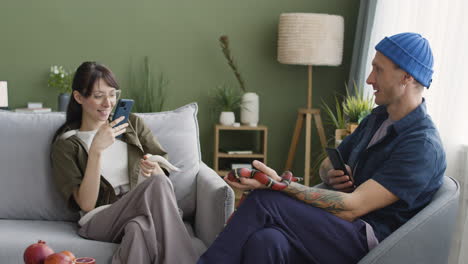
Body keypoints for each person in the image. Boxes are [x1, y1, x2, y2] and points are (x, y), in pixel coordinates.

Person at [198, 32, 446, 264]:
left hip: (370, 242)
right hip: (339, 228)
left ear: (407, 77)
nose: (370, 79)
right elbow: (326, 165)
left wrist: (279, 185)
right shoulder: (378, 118)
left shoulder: (421, 146)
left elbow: (353, 207)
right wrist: (331, 174)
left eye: (378, 70)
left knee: (266, 199)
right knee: (267, 241)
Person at [50, 61, 197, 264]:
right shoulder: (67, 144)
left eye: (112, 94)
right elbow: (86, 204)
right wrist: (96, 152)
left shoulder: (132, 124)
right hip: (100, 219)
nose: (108, 103)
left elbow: (161, 171)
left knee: (138, 228)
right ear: (78, 97)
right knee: (158, 185)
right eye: (98, 96)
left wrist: (155, 169)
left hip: (143, 208)